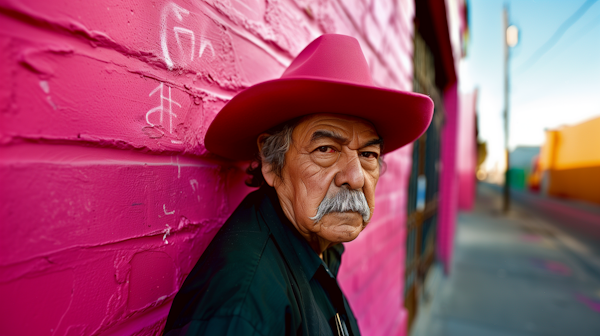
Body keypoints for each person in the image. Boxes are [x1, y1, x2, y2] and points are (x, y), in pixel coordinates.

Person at [163, 34, 433, 336]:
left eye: (368, 154)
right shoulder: (241, 309)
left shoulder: (316, 243)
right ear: (271, 164)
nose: (356, 178)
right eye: (326, 150)